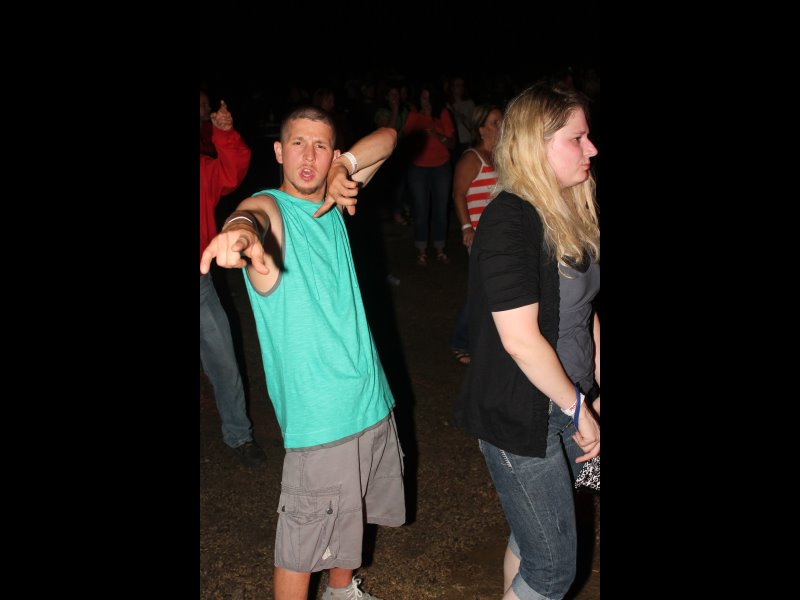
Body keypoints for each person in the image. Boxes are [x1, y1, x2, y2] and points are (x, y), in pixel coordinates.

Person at [200, 107, 404, 600]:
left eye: (320, 146)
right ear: (278, 151)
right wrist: (239, 232)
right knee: (301, 544)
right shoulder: (273, 209)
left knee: (353, 508)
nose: (308, 156)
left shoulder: (333, 199)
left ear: (333, 154)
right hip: (321, 419)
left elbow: (390, 136)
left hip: (370, 398)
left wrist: (343, 169)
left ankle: (342, 591)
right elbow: (251, 215)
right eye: (297, 143)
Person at [453, 82, 601, 600]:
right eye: (577, 139)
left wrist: (594, 392)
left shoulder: (568, 208)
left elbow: (583, 311)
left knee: (535, 531)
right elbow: (519, 339)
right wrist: (579, 410)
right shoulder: (509, 219)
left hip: (571, 401)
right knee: (553, 569)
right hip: (523, 414)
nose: (591, 148)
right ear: (537, 144)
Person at [200, 98, 267, 468]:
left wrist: (224, 134)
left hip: (201, 287)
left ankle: (239, 435)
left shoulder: (203, 169)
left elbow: (232, 172)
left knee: (225, 362)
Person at [448, 104, 503, 366]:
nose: (500, 126)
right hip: (481, 236)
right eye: (494, 122)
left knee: (494, 289)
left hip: (501, 235)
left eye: (501, 121)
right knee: (483, 291)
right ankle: (461, 340)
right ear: (481, 129)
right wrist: (466, 227)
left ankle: (488, 340)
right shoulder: (472, 158)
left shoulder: (501, 157)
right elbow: (458, 194)